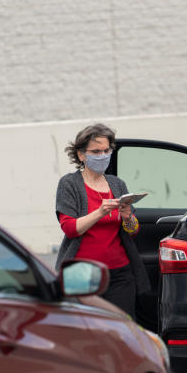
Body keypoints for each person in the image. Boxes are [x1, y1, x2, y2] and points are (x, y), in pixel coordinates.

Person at [55, 123, 149, 318]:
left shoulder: (117, 183)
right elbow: (70, 228)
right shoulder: (69, 184)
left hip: (119, 273)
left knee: (121, 328)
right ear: (81, 155)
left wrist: (127, 216)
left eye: (106, 150)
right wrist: (99, 212)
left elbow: (132, 231)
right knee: (86, 331)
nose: (103, 155)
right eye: (96, 151)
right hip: (81, 274)